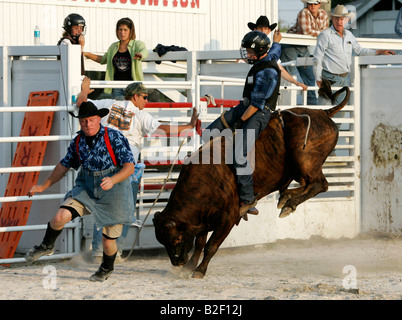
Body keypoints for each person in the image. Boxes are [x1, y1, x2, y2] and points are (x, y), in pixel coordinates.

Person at [77, 77, 198, 261]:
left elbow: (82, 104)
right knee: (125, 210)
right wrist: (188, 126)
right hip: (126, 167)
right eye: (144, 97)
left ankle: (97, 251)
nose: (146, 101)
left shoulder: (109, 105)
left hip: (104, 164)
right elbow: (163, 130)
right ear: (135, 97)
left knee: (103, 207)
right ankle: (114, 251)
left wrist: (84, 89)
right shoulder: (141, 116)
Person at [25, 102, 135, 282]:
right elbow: (64, 165)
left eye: (91, 120)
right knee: (60, 216)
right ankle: (46, 245)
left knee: (108, 241)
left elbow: (129, 167)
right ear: (80, 122)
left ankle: (107, 267)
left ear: (99, 119)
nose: (88, 124)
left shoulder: (114, 137)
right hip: (86, 185)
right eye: (84, 121)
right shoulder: (77, 141)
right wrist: (43, 186)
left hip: (114, 188)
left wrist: (113, 179)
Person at [203, 31, 280, 218]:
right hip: (246, 106)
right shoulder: (267, 57)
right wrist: (277, 42)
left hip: (258, 113)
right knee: (209, 133)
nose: (247, 54)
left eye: (250, 51)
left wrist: (239, 121)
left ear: (260, 50)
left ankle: (247, 199)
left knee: (239, 153)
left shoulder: (267, 72)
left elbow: (256, 105)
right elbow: (275, 51)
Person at [313, 4, 395, 105]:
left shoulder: (349, 35)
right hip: (329, 78)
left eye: (342, 19)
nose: (339, 22)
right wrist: (317, 78)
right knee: (324, 110)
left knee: (341, 111)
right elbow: (317, 57)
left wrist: (379, 52)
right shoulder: (325, 35)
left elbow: (360, 50)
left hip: (344, 78)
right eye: (336, 19)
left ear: (346, 20)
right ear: (332, 19)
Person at [84, 17, 148, 99]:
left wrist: (141, 55)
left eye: (125, 30)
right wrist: (86, 54)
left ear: (130, 31)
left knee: (131, 110)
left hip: (133, 87)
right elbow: (103, 59)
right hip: (116, 86)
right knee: (119, 110)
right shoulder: (113, 46)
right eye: (120, 29)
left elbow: (144, 51)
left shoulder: (137, 44)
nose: (122, 32)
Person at [281, 0, 329, 105]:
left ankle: (312, 103)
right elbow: (308, 32)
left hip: (303, 47)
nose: (312, 6)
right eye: (310, 4)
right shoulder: (303, 12)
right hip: (290, 45)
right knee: (289, 73)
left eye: (315, 3)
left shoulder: (324, 14)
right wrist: (320, 33)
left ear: (319, 4)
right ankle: (284, 103)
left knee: (310, 75)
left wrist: (320, 33)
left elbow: (323, 33)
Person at [247, 16, 308, 93]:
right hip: (256, 85)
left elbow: (278, 67)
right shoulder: (250, 43)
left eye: (265, 28)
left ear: (269, 31)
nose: (262, 31)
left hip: (263, 86)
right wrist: (276, 43)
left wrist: (296, 83)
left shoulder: (268, 48)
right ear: (255, 29)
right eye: (260, 28)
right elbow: (269, 60)